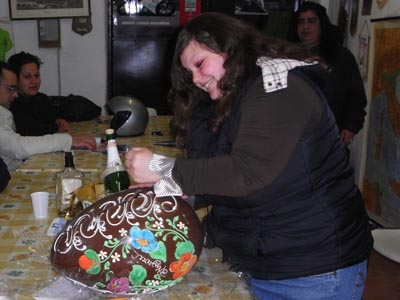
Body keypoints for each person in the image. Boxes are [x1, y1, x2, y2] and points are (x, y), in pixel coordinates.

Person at [124, 12, 373, 300]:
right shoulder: (234, 96)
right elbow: (230, 170)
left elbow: (247, 172)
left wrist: (162, 168)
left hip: (314, 268)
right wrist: (181, 192)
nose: (196, 78)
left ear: (230, 47)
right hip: (269, 258)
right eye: (189, 72)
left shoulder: (278, 88)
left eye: (200, 63)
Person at [287, 1, 367, 146]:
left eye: (311, 21)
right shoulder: (285, 56)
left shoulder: (340, 56)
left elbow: (356, 96)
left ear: (321, 25)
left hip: (330, 134)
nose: (305, 27)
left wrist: (350, 127)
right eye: (301, 22)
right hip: (292, 135)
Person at [0, 61, 96, 171]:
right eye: (11, 88)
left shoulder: (40, 99)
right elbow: (19, 147)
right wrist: (67, 140)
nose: (16, 94)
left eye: (37, 76)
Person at [7, 51, 71, 136]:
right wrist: (55, 127)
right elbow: (28, 130)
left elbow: (51, 119)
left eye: (36, 75)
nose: (34, 81)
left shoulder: (41, 98)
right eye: (27, 76)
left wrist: (58, 121)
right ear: (15, 79)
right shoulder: (10, 102)